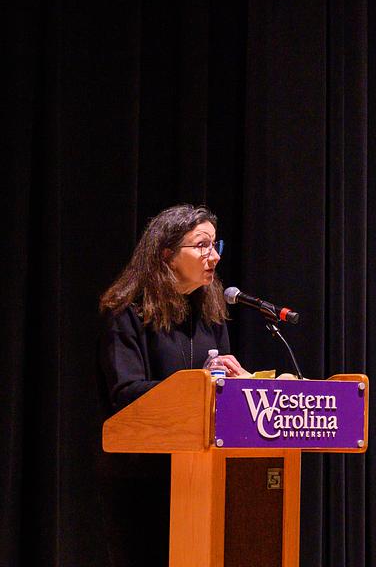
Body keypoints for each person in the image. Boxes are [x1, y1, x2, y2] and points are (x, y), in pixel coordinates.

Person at [96, 203, 250, 567]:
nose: (213, 256)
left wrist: (239, 388)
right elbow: (126, 393)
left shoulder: (210, 315)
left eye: (216, 246)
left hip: (200, 474)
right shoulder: (127, 312)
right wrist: (198, 385)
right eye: (201, 245)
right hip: (141, 478)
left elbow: (218, 398)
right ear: (167, 254)